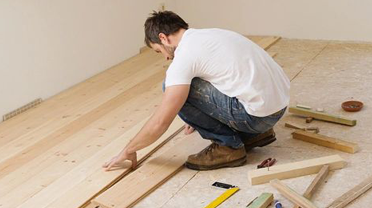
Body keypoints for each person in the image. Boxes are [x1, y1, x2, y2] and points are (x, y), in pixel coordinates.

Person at [103, 11, 290, 171]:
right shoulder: (212, 35)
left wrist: (128, 150)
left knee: (170, 85)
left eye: (159, 51)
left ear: (163, 38)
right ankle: (256, 135)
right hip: (278, 108)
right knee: (185, 84)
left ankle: (229, 147)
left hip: (256, 118)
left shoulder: (184, 56)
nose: (166, 57)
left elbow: (161, 121)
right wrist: (202, 113)